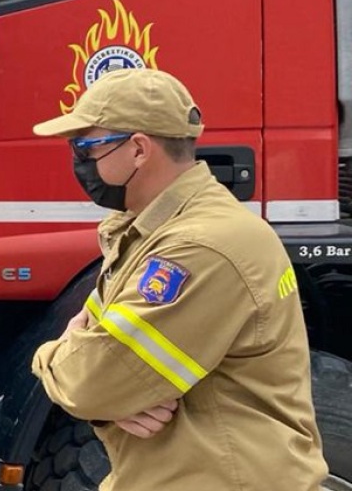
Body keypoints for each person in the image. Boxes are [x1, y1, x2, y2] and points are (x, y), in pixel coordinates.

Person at [30, 68, 328, 490]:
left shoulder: (199, 247)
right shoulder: (151, 232)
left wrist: (62, 366)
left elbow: (93, 381)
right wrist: (104, 390)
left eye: (84, 146)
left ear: (138, 150)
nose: (77, 161)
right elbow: (95, 369)